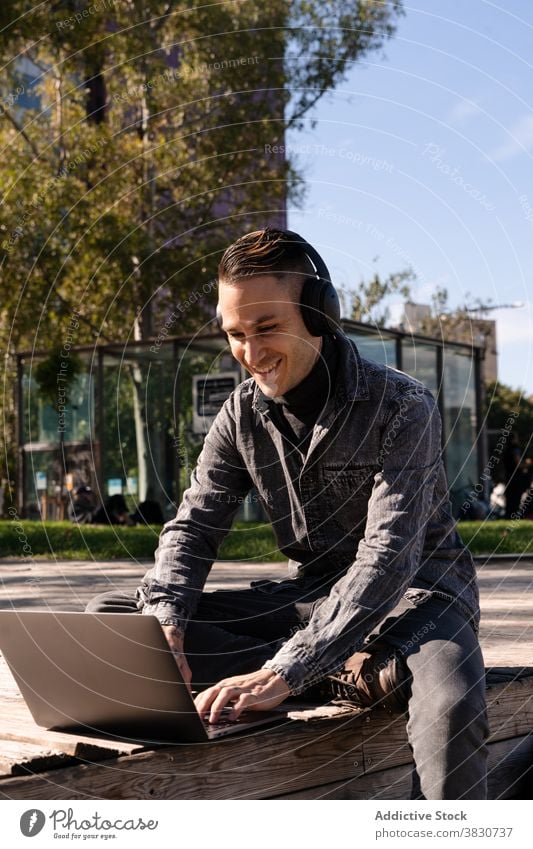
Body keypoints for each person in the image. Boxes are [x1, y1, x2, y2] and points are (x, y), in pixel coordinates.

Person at [87, 228, 489, 800]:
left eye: (267, 328)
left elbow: (388, 556)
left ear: (320, 315)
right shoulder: (238, 416)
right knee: (119, 621)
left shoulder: (404, 406)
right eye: (235, 335)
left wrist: (286, 670)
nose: (251, 354)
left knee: (450, 701)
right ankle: (348, 668)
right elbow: (194, 528)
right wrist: (170, 624)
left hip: (416, 600)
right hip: (311, 601)